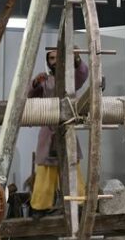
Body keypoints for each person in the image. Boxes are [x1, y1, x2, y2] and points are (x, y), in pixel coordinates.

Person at [28, 45, 88, 214]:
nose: (54, 61)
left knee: (72, 167)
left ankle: (79, 204)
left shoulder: (70, 79)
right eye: (51, 58)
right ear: (48, 61)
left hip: (67, 128)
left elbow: (82, 75)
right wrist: (35, 83)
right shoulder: (45, 81)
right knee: (46, 170)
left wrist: (77, 59)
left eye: (57, 57)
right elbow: (28, 95)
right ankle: (40, 207)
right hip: (49, 130)